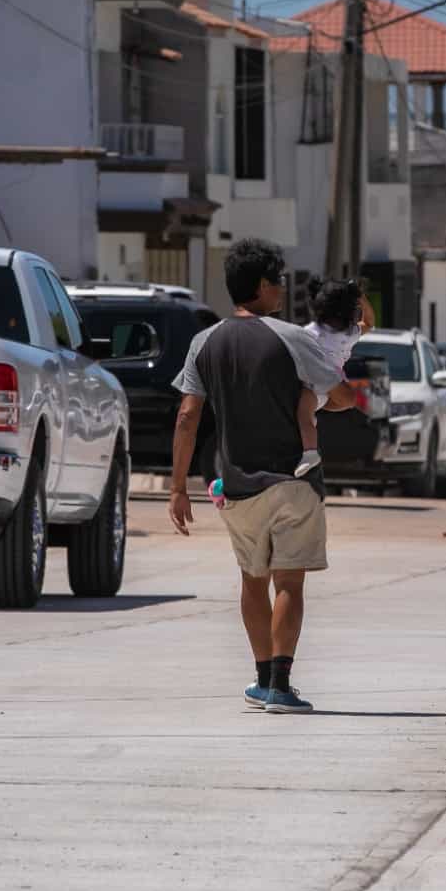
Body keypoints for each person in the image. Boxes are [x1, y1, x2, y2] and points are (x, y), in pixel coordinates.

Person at [168, 239, 355, 715]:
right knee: (288, 582)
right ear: (262, 286)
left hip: (237, 486)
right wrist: (323, 401)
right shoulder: (292, 337)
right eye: (278, 281)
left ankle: (259, 679)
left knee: (252, 581)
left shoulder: (204, 342)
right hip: (294, 480)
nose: (282, 289)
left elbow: (187, 416)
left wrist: (177, 486)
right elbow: (342, 396)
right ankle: (281, 685)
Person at [292, 278, 375, 478]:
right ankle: (309, 429)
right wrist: (361, 297)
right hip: (340, 391)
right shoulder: (349, 332)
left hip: (315, 386)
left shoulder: (309, 333)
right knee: (309, 414)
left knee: (303, 415)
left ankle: (310, 452)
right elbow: (370, 322)